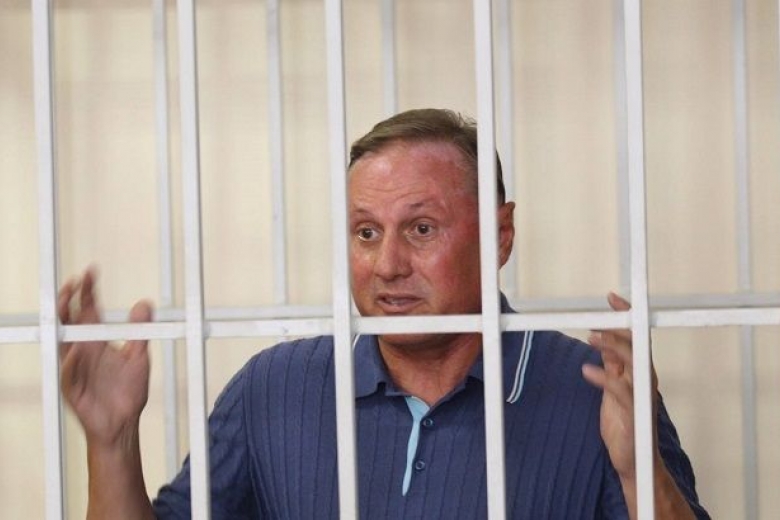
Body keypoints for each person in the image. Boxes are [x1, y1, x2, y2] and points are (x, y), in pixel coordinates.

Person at [59, 108, 709, 519]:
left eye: (421, 229)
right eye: (366, 233)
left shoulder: (594, 389)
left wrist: (639, 474)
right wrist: (111, 442)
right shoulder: (271, 389)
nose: (387, 265)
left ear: (500, 236)